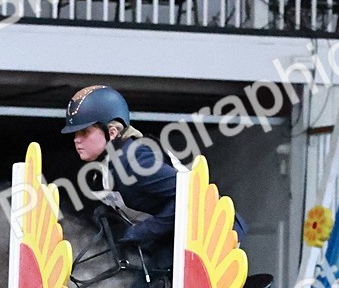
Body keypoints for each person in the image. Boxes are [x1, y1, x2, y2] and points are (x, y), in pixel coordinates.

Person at [61, 85, 245, 268]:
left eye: (85, 132)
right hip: (179, 235)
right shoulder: (105, 169)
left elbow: (190, 196)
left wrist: (143, 231)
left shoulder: (136, 162)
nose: (77, 139)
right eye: (76, 133)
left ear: (112, 132)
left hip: (211, 232)